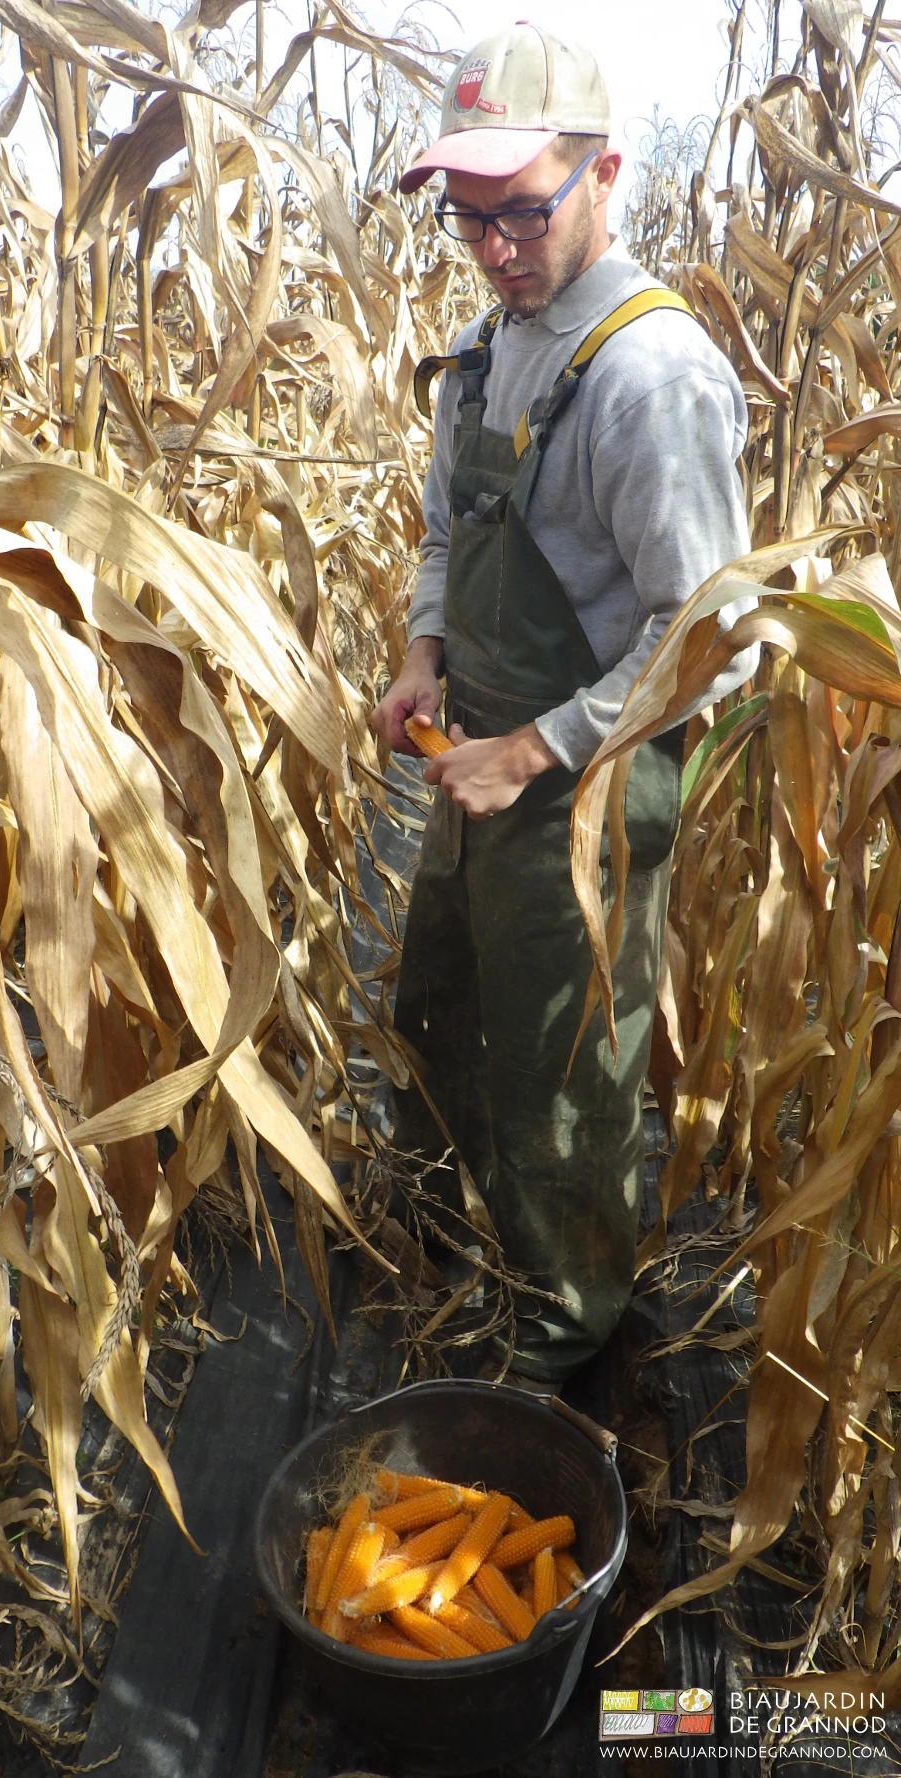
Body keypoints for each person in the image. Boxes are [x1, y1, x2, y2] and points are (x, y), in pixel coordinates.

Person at [370, 22, 756, 1385]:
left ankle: (564, 1338)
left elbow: (711, 638)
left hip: (584, 783)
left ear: (605, 176)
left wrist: (533, 749)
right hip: (475, 752)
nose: (494, 249)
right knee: (442, 1010)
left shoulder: (650, 376)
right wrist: (423, 652)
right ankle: (457, 1251)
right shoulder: (489, 347)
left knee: (567, 1072)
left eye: (523, 211)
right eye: (468, 218)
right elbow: (445, 529)